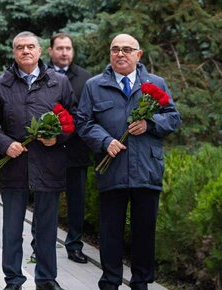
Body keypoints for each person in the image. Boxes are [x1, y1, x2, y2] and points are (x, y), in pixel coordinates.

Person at [76, 34, 181, 290]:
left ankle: (141, 282)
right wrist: (105, 141)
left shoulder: (155, 83)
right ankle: (110, 282)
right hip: (112, 168)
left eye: (126, 49)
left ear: (138, 54)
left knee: (144, 232)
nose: (120, 54)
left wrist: (150, 123)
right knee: (110, 231)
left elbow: (174, 118)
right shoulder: (94, 85)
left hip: (146, 169)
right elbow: (83, 122)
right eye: (115, 49)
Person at [0, 31, 75, 290]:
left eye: (30, 46)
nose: (25, 51)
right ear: (14, 53)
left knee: (46, 227)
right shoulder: (1, 85)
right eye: (20, 47)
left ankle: (46, 278)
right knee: (12, 228)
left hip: (49, 163)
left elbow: (74, 116)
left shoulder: (59, 83)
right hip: (15, 165)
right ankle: (13, 279)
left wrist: (57, 137)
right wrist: (5, 143)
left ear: (41, 50)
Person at [30, 33, 92, 264]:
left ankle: (74, 245)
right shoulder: (40, 76)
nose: (65, 52)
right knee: (44, 201)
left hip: (75, 151)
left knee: (76, 202)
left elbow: (85, 115)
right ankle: (39, 244)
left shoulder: (86, 78)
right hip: (47, 152)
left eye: (68, 48)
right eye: (60, 48)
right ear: (50, 51)